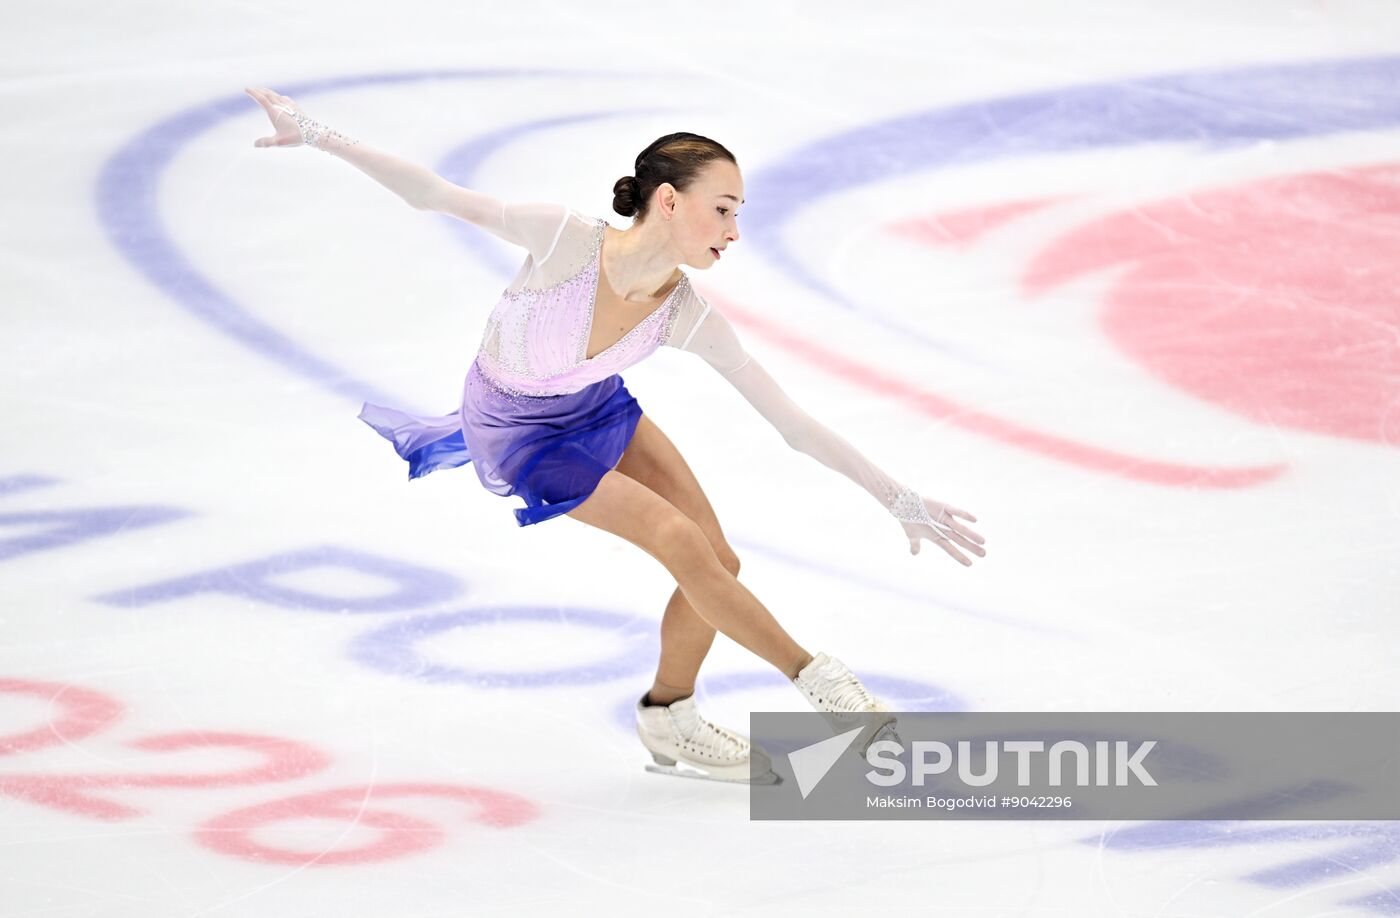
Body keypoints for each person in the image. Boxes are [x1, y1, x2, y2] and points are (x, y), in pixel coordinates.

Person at [244, 86, 986, 784]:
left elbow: (790, 422)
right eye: (723, 209)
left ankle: (669, 716)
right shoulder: (563, 240)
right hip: (518, 434)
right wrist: (316, 134)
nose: (735, 230)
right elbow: (433, 195)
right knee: (679, 540)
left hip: (596, 406)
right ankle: (824, 686)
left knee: (717, 557)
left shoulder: (686, 314)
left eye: (738, 213)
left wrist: (896, 497)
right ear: (669, 201)